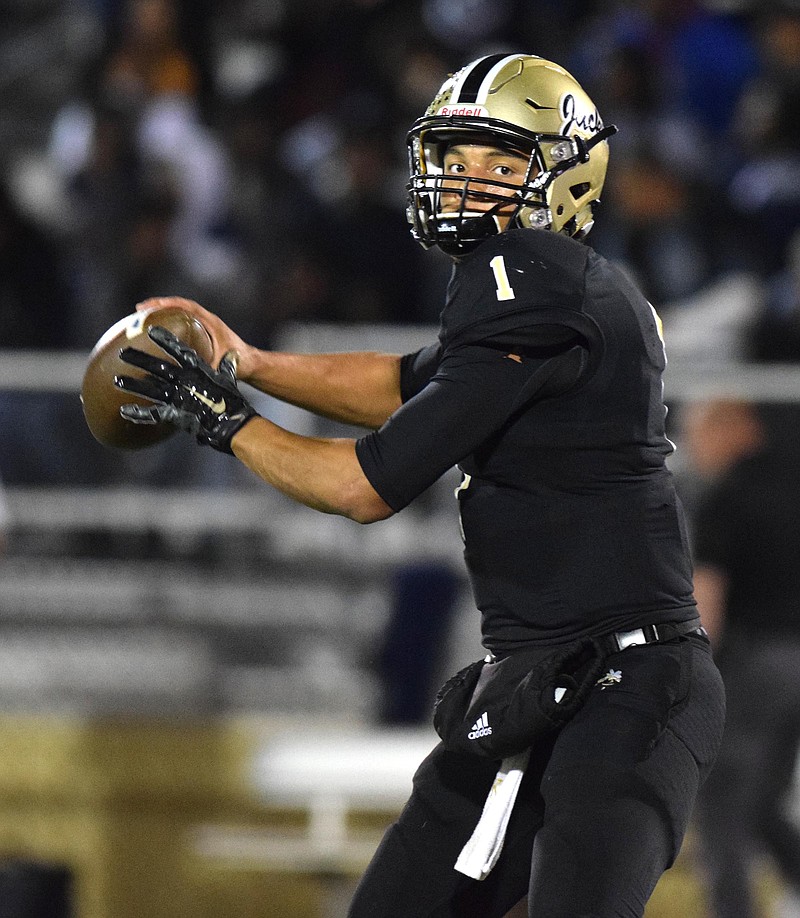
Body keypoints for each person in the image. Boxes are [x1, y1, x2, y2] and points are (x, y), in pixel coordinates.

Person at [113, 53, 725, 918]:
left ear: (566, 171)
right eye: (456, 159)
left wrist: (225, 421)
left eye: (501, 164)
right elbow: (402, 380)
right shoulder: (548, 292)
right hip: (536, 687)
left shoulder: (534, 278)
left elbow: (366, 486)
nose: (468, 183)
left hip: (628, 690)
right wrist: (249, 362)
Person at [685, 399, 800, 918]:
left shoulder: (728, 496)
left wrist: (690, 674)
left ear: (732, 427)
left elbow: (707, 598)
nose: (693, 450)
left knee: (721, 804)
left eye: (697, 434)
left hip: (758, 665)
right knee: (762, 801)